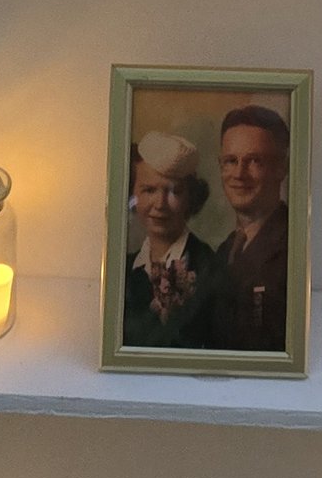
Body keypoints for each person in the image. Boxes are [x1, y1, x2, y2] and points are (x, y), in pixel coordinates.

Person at [122, 131, 225, 348]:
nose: (160, 204)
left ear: (191, 198)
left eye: (174, 192)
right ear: (133, 195)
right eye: (149, 190)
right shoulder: (124, 268)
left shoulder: (210, 267)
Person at [208, 104, 291, 352]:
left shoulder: (293, 246)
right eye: (231, 161)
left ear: (282, 168)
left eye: (254, 161)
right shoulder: (224, 252)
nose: (239, 174)